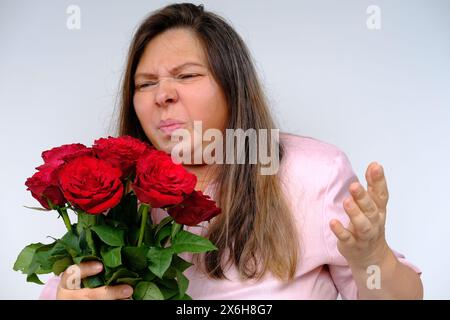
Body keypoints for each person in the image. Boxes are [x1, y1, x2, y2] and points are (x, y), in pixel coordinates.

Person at [40, 3, 423, 300]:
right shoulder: (115, 194)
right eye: (145, 83)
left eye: (187, 75)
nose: (163, 95)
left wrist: (372, 256)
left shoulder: (312, 173)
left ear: (232, 86)